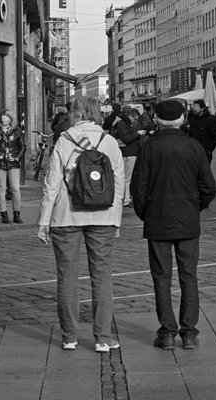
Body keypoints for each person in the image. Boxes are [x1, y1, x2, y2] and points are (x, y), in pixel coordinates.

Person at [38, 96, 125, 353]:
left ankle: (70, 337)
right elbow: (119, 185)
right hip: (103, 217)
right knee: (102, 277)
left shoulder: (64, 140)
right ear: (98, 113)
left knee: (67, 277)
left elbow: (51, 184)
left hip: (66, 217)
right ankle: (103, 338)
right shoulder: (109, 142)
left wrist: (44, 220)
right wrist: (116, 219)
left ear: (75, 113)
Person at [130, 99, 216, 350]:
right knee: (189, 276)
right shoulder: (193, 146)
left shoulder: (149, 147)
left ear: (157, 119)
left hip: (157, 217)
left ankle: (167, 332)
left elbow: (138, 188)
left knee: (161, 277)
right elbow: (209, 188)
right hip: (187, 218)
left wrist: (146, 212)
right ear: (182, 119)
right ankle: (189, 332)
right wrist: (194, 206)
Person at [0, 112, 25, 224]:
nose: (4, 118)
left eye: (7, 116)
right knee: (1, 189)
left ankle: (16, 214)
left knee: (15, 189)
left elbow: (22, 146)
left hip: (13, 162)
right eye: (3, 116)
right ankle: (4, 214)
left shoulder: (16, 130)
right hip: (0, 163)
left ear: (10, 118)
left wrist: (17, 158)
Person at [118, 107, 143, 206]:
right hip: (128, 153)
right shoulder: (122, 125)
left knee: (127, 177)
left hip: (130, 152)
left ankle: (126, 198)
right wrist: (137, 134)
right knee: (127, 178)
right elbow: (126, 138)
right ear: (130, 116)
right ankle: (126, 199)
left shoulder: (124, 124)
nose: (135, 121)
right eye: (134, 118)